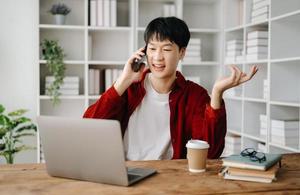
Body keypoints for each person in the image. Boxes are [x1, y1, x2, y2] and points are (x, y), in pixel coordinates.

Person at [83, 17, 258, 160]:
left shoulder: (194, 95)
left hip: (169, 177)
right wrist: (123, 80)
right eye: (152, 49)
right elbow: (89, 129)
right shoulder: (129, 88)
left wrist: (217, 95)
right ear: (144, 52)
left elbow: (210, 153)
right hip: (125, 171)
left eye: (166, 49)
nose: (157, 57)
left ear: (182, 52)